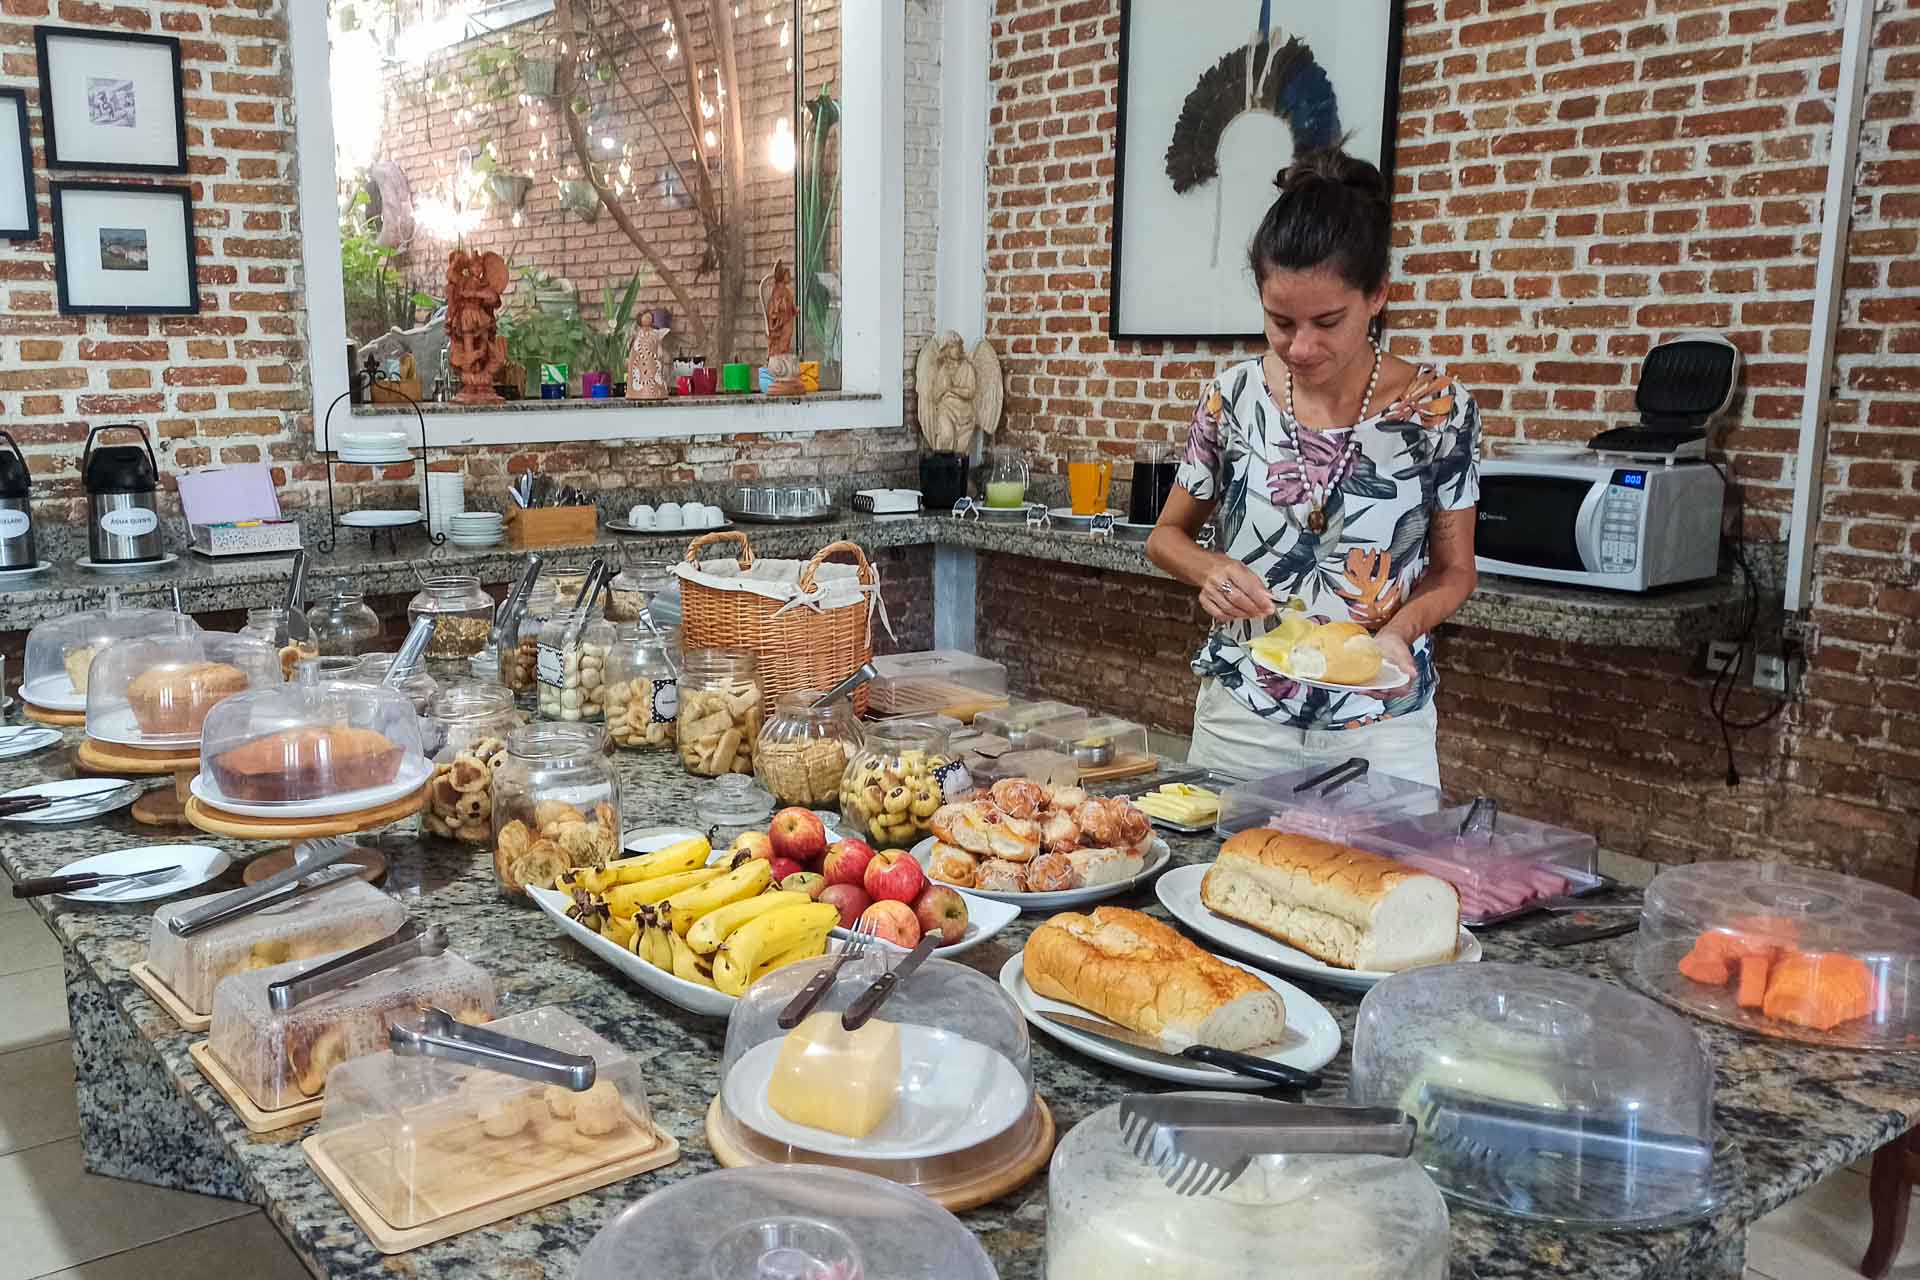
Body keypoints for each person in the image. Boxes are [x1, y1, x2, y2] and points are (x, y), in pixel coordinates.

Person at [1146, 148, 1481, 788]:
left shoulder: (1440, 411)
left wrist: (1400, 632)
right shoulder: (1233, 397)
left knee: (1385, 888)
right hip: (1241, 719)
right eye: (1280, 321)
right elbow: (1166, 537)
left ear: (1378, 294)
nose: (1300, 347)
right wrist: (1211, 569)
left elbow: (1456, 570)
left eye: (1328, 322)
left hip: (1382, 730)